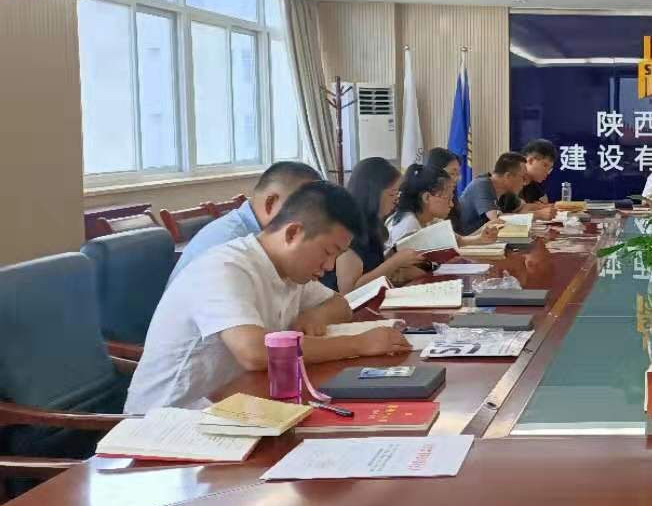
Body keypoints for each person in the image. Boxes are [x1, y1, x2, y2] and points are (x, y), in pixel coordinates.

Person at [126, 182, 409, 414]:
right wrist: (359, 344)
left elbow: (340, 305)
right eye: (327, 252)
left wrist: (315, 315)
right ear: (293, 233)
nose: (329, 266)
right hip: (166, 424)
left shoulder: (291, 271)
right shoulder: (225, 267)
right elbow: (254, 352)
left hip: (234, 407)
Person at [168, 161, 320, 284]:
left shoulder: (267, 239)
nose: (314, 221)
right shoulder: (229, 247)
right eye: (306, 209)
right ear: (270, 204)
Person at [322, 157, 427, 294]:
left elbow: (372, 269)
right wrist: (394, 262)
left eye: (398, 193)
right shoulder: (349, 229)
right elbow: (349, 291)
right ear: (372, 194)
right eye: (392, 194)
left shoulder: (374, 224)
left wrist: (394, 262)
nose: (396, 200)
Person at [387, 162, 456, 247]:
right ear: (426, 197)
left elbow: (455, 241)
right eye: (448, 198)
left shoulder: (431, 220)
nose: (452, 204)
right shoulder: (409, 227)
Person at [457, 152, 529, 233]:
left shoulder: (504, 190)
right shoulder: (482, 185)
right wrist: (531, 216)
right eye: (523, 177)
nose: (525, 182)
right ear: (508, 176)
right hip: (466, 238)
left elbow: (523, 206)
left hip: (486, 238)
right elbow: (497, 220)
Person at [518, 139, 558, 215]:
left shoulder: (535, 187)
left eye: (550, 168)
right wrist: (536, 213)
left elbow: (544, 206)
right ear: (530, 160)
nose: (547, 172)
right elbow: (504, 216)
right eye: (545, 165)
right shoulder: (510, 183)